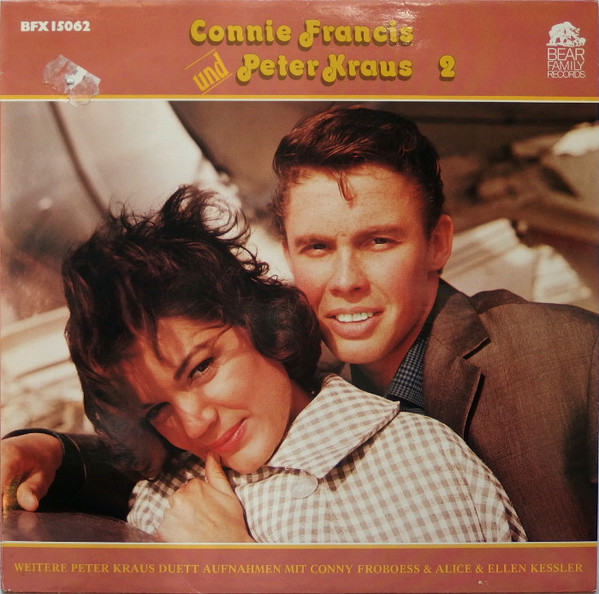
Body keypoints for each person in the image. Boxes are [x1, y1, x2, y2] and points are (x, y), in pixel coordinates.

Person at [2, 105, 596, 541]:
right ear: (287, 253)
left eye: (379, 241)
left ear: (438, 243)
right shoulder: (299, 363)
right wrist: (51, 451)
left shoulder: (568, 357)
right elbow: (170, 437)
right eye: (316, 248)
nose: (345, 281)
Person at [38, 185, 526, 543]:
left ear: (259, 324)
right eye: (157, 409)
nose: (194, 423)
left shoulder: (414, 460)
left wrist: (240, 572)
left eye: (201, 368)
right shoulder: (164, 498)